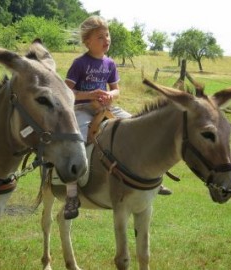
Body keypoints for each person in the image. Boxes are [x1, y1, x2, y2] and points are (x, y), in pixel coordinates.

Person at [63, 15, 171, 220]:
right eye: (100, 37)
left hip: (106, 107)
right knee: (76, 145)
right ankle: (71, 194)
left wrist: (110, 95)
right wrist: (89, 95)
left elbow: (116, 90)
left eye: (107, 35)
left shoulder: (109, 63)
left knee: (138, 128)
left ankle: (153, 178)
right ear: (87, 41)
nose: (106, 40)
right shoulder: (79, 63)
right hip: (82, 109)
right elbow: (66, 92)